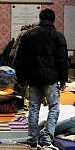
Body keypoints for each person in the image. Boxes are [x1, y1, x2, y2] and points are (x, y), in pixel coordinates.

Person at [14, 8, 68, 150]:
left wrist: (21, 78)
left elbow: (18, 60)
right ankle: (46, 140)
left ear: (40, 18)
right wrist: (63, 81)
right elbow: (62, 61)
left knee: (33, 109)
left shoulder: (27, 36)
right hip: (51, 79)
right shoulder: (57, 36)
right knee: (54, 108)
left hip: (33, 79)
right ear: (53, 20)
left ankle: (32, 140)